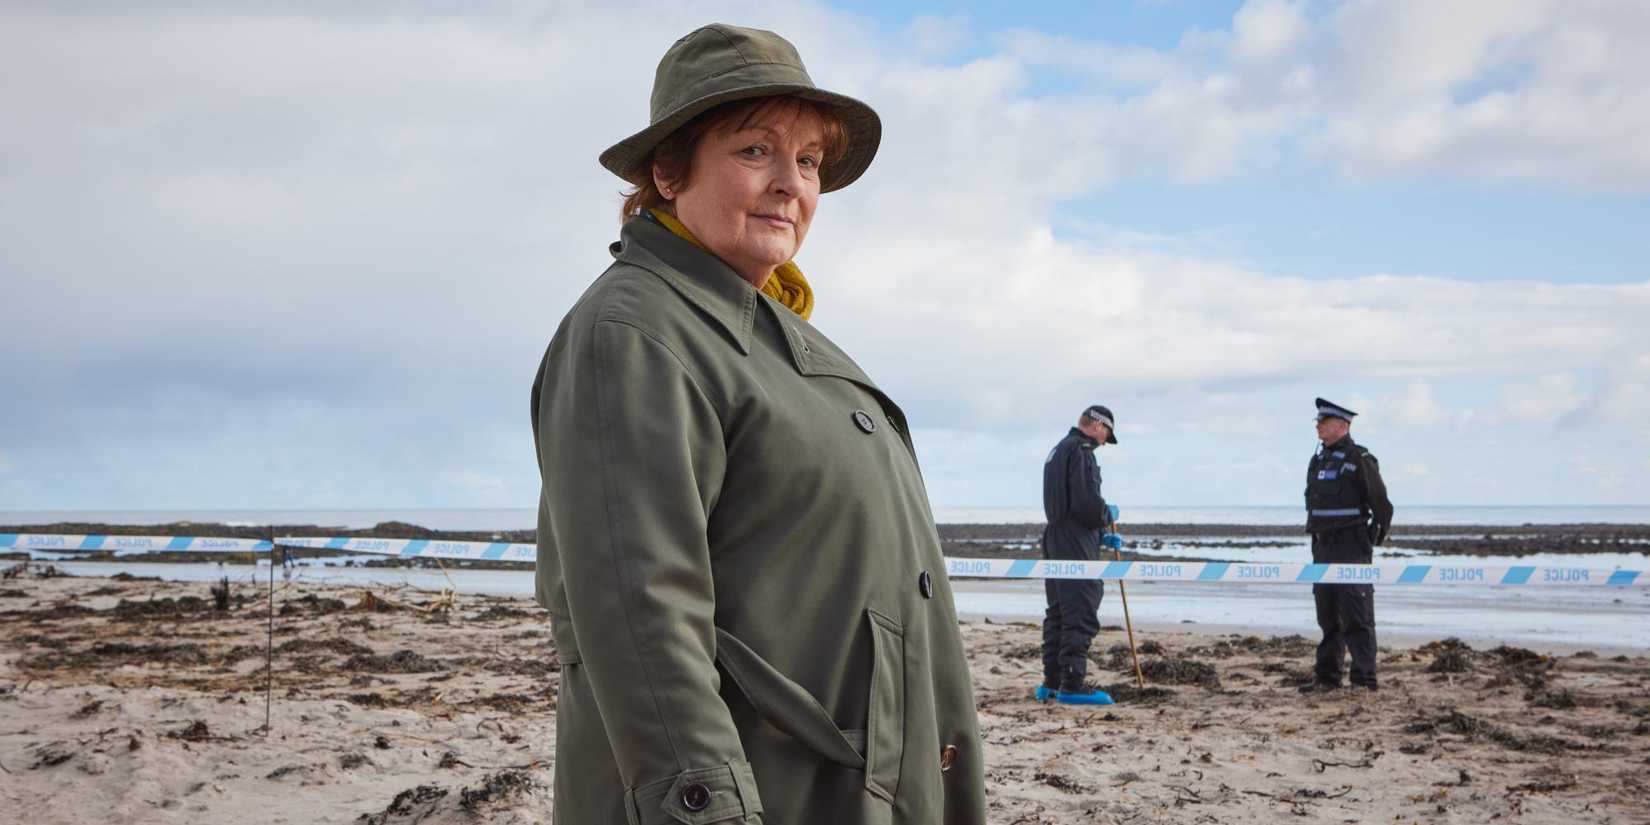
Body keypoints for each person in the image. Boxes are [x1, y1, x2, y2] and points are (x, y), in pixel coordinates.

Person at [529, 24, 985, 824]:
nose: (792, 185)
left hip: (848, 788)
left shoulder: (775, 332)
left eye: (807, 161)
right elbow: (642, 617)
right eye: (755, 152)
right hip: (767, 797)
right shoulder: (633, 334)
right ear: (667, 171)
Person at [1300, 397, 1394, 693]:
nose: (1318, 427)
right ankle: (1327, 678)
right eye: (1318, 422)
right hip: (1322, 548)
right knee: (1327, 615)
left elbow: (1381, 503)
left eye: (1323, 423)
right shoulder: (1318, 460)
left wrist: (1373, 538)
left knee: (1357, 614)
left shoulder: (1359, 458)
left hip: (1351, 547)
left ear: (1341, 426)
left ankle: (1364, 680)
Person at [1036, 404, 1123, 705]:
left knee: (1059, 610)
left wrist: (1101, 535)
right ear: (1098, 426)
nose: (1104, 442)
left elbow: (1068, 504)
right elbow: (1086, 505)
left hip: (1055, 537)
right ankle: (1072, 684)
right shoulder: (1082, 451)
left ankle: (1052, 681)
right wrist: (1105, 514)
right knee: (1080, 609)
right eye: (1106, 435)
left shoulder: (1058, 450)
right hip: (1074, 542)